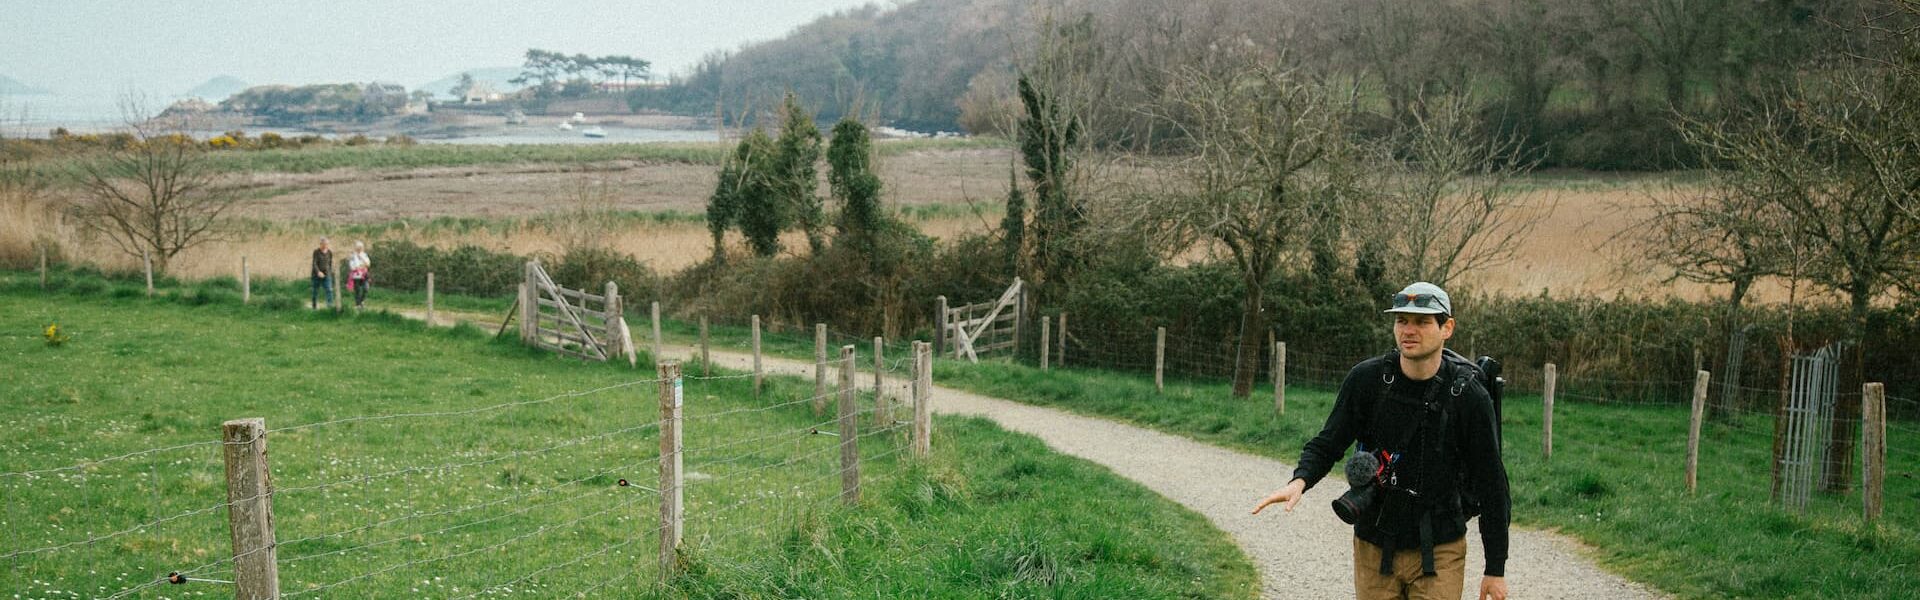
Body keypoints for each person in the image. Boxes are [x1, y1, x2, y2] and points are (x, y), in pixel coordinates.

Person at [1252, 282, 1510, 600]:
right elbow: (1329, 441)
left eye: (1422, 321)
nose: (1409, 330)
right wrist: (1300, 480)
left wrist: (1495, 570)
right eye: (1402, 320)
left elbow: (1492, 483)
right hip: (1374, 543)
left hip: (1440, 547)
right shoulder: (1368, 380)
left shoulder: (1467, 396)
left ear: (1447, 328)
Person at [346, 240, 372, 309]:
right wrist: (360, 266)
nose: (359, 248)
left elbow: (368, 264)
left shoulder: (364, 255)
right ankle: (358, 304)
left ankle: (361, 301)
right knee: (357, 290)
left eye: (361, 247)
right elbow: (352, 266)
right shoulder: (352, 256)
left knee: (366, 288)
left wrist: (361, 259)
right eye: (358, 247)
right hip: (356, 275)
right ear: (355, 248)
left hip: (364, 275)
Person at [311, 237, 334, 309]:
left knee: (329, 289)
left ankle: (329, 307)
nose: (325, 246)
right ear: (320, 244)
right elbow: (314, 263)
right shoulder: (316, 252)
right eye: (323, 244)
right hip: (316, 275)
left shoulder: (330, 252)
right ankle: (314, 306)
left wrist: (329, 272)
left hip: (327, 275)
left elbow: (330, 263)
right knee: (315, 291)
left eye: (326, 244)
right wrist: (318, 272)